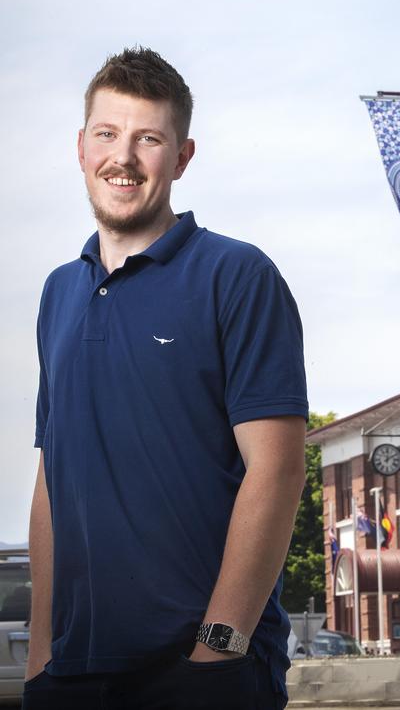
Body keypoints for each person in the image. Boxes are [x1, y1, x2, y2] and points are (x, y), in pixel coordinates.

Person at [23, 48, 308, 710]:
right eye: (107, 133)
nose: (122, 156)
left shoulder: (237, 276)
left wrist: (219, 646)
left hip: (199, 672)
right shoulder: (58, 292)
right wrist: (41, 655)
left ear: (180, 157)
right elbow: (51, 476)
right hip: (71, 675)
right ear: (81, 146)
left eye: (148, 138)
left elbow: (278, 470)